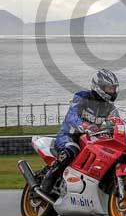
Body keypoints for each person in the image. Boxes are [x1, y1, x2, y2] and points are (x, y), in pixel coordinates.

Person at [39, 68, 119, 196]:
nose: (112, 91)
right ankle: (46, 183)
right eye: (109, 88)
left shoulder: (110, 107)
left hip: (90, 140)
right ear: (99, 86)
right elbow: (72, 115)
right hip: (69, 135)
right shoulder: (82, 97)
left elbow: (117, 123)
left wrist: (119, 129)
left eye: (114, 88)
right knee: (71, 150)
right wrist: (83, 125)